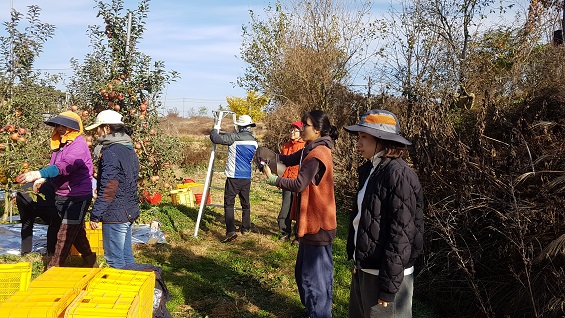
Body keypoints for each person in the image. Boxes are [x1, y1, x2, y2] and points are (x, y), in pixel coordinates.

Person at [343, 109, 424, 318]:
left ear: (382, 140)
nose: (358, 143)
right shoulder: (372, 170)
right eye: (358, 137)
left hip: (386, 277)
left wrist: (388, 288)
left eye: (364, 137)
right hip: (366, 269)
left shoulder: (398, 175)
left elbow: (402, 235)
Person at [261, 109, 338, 318]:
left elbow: (298, 183)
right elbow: (287, 158)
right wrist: (264, 154)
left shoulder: (318, 154)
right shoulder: (308, 149)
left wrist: (272, 179)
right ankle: (314, 311)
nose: (301, 128)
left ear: (318, 129)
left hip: (318, 224)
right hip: (309, 224)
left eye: (305, 125)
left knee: (316, 279)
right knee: (304, 274)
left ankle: (320, 314)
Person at [16, 110, 97, 268]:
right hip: (61, 193)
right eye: (58, 125)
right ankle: (89, 259)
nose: (60, 128)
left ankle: (54, 267)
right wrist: (43, 178)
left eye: (64, 126)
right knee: (75, 230)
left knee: (65, 232)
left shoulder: (78, 145)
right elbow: (55, 166)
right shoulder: (61, 145)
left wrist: (38, 173)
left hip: (77, 195)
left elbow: (64, 166)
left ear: (73, 128)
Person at [85, 110, 140, 269]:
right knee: (126, 256)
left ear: (107, 129)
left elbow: (110, 187)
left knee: (115, 260)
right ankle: (135, 289)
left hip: (115, 214)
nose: (96, 132)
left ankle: (123, 291)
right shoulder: (129, 149)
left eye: (98, 128)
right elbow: (127, 179)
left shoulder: (110, 152)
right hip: (128, 210)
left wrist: (96, 214)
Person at [209, 114, 258, 243]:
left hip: (233, 176)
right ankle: (246, 228)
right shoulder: (254, 141)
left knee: (229, 203)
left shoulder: (234, 138)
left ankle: (231, 231)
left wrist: (215, 127)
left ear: (240, 127)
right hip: (247, 176)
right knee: (245, 203)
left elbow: (215, 138)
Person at [277, 121, 305, 242]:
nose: (292, 132)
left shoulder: (304, 146)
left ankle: (299, 236)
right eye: (291, 130)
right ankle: (284, 233)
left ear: (301, 132)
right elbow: (281, 164)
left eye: (295, 130)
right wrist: (279, 179)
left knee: (299, 209)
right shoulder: (285, 146)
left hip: (298, 182)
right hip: (286, 181)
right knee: (286, 208)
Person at [16, 180, 58, 255]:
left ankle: (25, 251)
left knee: (27, 223)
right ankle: (51, 252)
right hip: (41, 195)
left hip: (23, 194)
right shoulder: (54, 174)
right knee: (55, 222)